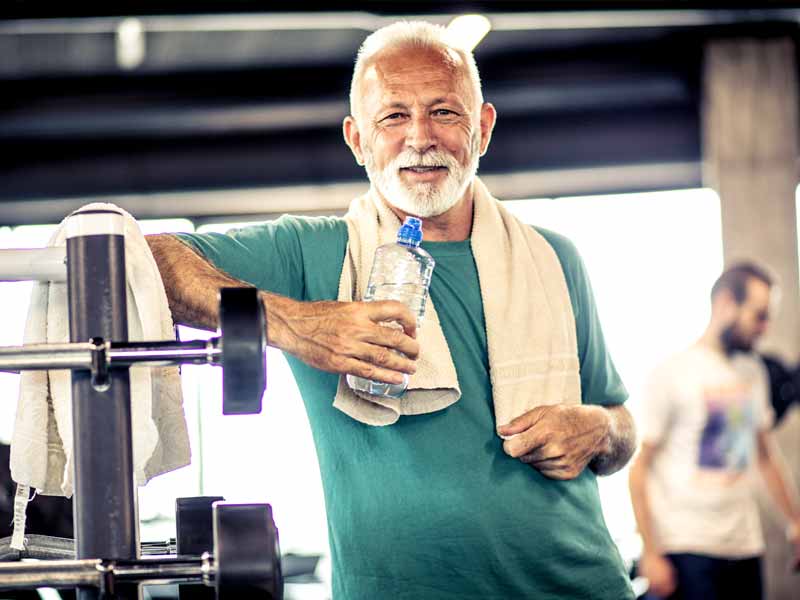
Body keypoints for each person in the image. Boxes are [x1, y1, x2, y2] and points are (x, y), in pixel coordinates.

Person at [147, 21, 636, 599]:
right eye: (394, 116)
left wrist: (600, 428)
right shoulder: (313, 252)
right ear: (357, 140)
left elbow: (621, 425)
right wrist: (298, 326)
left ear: (482, 129)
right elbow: (144, 260)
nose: (420, 137)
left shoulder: (555, 258)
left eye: (445, 113)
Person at [629, 262, 800, 600]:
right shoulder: (672, 372)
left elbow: (765, 457)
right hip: (688, 547)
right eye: (759, 315)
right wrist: (651, 552)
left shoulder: (753, 372)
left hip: (745, 544)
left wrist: (795, 521)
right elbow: (639, 470)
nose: (765, 328)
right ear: (725, 304)